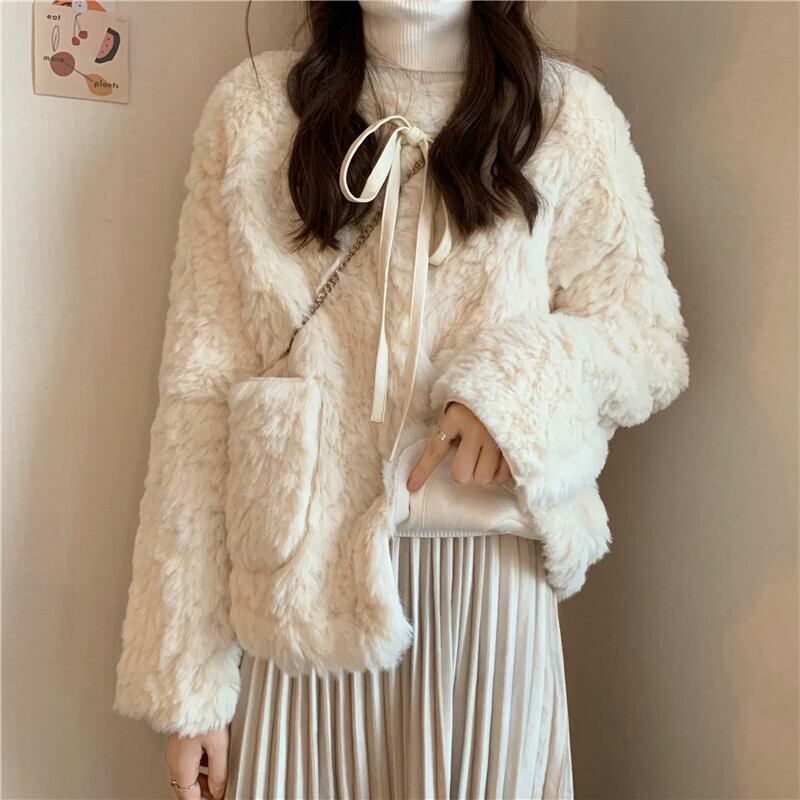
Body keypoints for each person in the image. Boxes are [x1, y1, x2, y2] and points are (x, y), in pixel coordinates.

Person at [112, 1, 690, 798]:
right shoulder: (254, 112)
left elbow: (647, 338)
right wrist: (189, 686)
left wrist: (515, 391)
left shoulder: (565, 115)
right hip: (301, 606)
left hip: (485, 605)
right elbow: (198, 401)